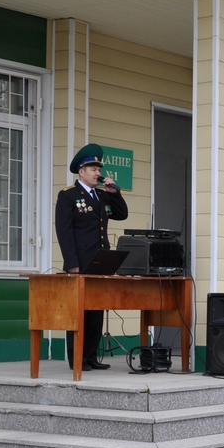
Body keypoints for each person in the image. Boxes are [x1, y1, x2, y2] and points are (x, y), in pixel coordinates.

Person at [54, 143, 128, 371]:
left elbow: (121, 215)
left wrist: (115, 194)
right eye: (93, 169)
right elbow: (64, 232)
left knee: (96, 313)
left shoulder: (103, 196)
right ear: (81, 172)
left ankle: (91, 357)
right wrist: (72, 264)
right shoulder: (69, 196)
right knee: (78, 315)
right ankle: (76, 358)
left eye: (99, 169)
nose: (98, 173)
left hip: (100, 262)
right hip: (80, 263)